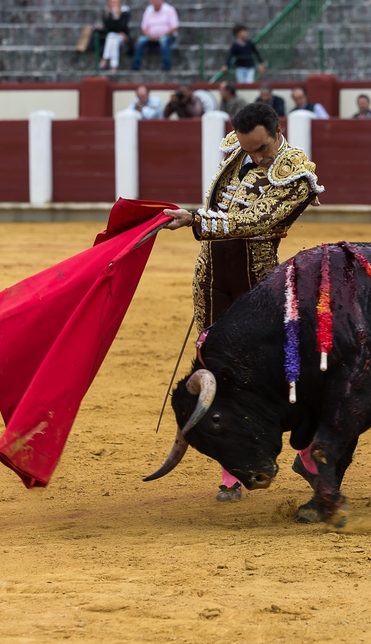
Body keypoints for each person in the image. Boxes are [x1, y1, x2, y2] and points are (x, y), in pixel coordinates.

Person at [160, 103, 324, 502]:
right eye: (249, 150)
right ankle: (231, 468)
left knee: (278, 369)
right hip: (214, 272)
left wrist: (196, 220)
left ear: (277, 130)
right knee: (217, 365)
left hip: (259, 278)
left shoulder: (297, 173)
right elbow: (221, 202)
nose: (256, 157)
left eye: (262, 149)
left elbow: (254, 220)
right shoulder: (239, 149)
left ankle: (309, 456)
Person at [132, 0, 178, 71]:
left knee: (164, 41)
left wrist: (161, 35)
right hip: (151, 37)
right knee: (140, 40)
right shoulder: (148, 10)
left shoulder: (169, 9)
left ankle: (166, 67)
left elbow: (174, 27)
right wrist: (150, 35)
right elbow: (144, 28)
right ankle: (135, 66)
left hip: (167, 37)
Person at [98, 0, 131, 72]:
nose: (114, 3)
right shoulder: (107, 13)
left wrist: (117, 16)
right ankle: (114, 67)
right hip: (112, 38)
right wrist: (114, 16)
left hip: (123, 38)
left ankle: (104, 60)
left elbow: (122, 27)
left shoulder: (125, 12)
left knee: (111, 37)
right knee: (112, 38)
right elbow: (108, 28)